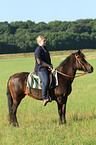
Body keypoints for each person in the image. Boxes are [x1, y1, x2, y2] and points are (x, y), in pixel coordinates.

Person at [34, 35, 53, 106]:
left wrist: (50, 65)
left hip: (46, 68)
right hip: (40, 69)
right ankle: (44, 98)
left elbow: (48, 59)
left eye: (45, 40)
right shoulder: (38, 50)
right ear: (39, 42)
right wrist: (48, 65)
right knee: (46, 81)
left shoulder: (45, 48)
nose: (45, 42)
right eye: (43, 41)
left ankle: (50, 95)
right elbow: (39, 62)